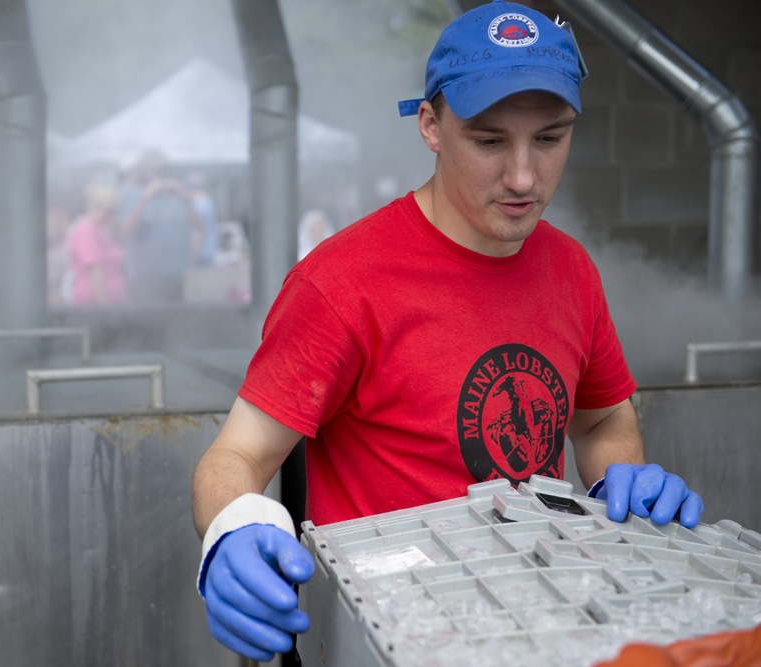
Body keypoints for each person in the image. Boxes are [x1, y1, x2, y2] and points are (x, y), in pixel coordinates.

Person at [190, 1, 705, 662]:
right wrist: (233, 528)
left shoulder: (571, 270)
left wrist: (619, 481)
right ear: (431, 125)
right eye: (489, 141)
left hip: (544, 629)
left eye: (549, 138)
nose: (523, 176)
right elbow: (235, 456)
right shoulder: (342, 283)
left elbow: (603, 421)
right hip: (389, 637)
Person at [118, 153, 204, 304]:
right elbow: (127, 230)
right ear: (145, 173)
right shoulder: (133, 194)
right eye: (156, 171)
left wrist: (185, 197)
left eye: (164, 171)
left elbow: (200, 227)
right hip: (144, 277)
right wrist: (145, 198)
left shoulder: (179, 196)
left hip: (175, 274)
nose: (161, 176)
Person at [65, 183, 128, 306]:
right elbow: (95, 271)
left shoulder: (101, 230)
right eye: (108, 212)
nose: (111, 216)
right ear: (95, 207)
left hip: (114, 301)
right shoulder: (86, 231)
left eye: (113, 212)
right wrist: (104, 308)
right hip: (94, 304)